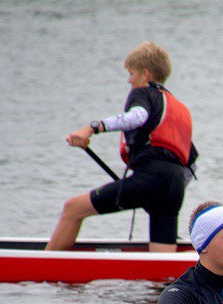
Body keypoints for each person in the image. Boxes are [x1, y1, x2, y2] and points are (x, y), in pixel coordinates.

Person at [46, 41, 197, 252]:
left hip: (151, 178)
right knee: (161, 262)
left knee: (73, 208)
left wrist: (92, 128)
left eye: (131, 73)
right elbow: (192, 162)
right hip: (175, 186)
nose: (129, 79)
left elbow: (137, 117)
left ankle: (47, 271)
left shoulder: (143, 93)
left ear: (145, 74)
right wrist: (163, 191)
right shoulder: (176, 107)